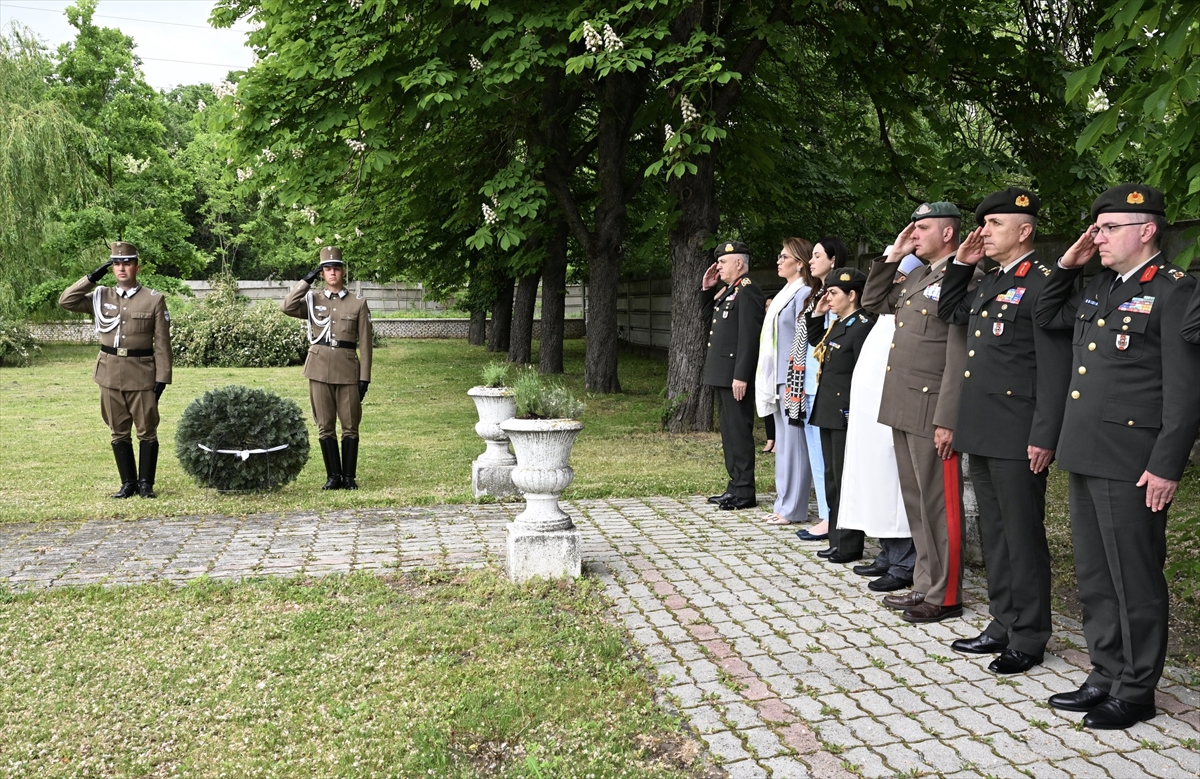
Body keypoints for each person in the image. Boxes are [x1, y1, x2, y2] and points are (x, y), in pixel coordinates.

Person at [1035, 184, 1200, 729]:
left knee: (1134, 575)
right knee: (1095, 573)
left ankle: (1137, 688)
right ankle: (1105, 671)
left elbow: (1186, 390)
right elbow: (1043, 315)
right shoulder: (1100, 286)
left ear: (1147, 230)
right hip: (1085, 451)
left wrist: (1166, 464)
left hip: (1133, 459)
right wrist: (1066, 263)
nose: (1097, 238)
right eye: (1096, 229)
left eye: (1107, 229)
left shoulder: (1177, 291)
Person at [936, 188, 1072, 674]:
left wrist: (1045, 433)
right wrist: (959, 262)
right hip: (983, 426)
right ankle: (1002, 620)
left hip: (1020, 431)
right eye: (983, 224)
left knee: (1022, 533)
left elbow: (1055, 369)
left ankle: (1031, 634)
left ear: (1025, 229)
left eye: (993, 224)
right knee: (994, 533)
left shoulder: (1044, 282)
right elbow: (949, 312)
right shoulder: (991, 279)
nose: (984, 232)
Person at [863, 202, 979, 623]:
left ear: (948, 233)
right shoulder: (918, 274)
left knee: (939, 504)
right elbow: (875, 302)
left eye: (922, 228)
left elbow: (957, 354)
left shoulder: (964, 278)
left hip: (932, 407)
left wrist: (948, 416)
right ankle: (925, 583)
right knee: (917, 502)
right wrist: (893, 255)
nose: (913, 234)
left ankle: (946, 595)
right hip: (904, 402)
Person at [58, 242, 171, 499]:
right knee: (118, 429)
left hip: (141, 373)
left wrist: (162, 378)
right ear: (112, 269)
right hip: (109, 373)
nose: (122, 268)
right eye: (117, 264)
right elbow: (67, 301)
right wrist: (90, 278)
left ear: (137, 267)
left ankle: (145, 484)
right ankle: (128, 483)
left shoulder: (153, 299)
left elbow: (162, 343)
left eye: (127, 263)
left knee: (146, 429)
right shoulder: (100, 296)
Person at [841, 254, 923, 591]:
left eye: (899, 277)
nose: (893, 283)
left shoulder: (909, 313)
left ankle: (905, 561)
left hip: (892, 410)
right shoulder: (887, 311)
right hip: (869, 413)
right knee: (875, 481)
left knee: (892, 484)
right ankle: (889, 552)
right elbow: (873, 296)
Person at [282, 246, 373, 490]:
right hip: (319, 369)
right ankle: (333, 477)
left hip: (347, 371)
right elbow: (287, 307)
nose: (332, 273)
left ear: (343, 271)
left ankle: (349, 477)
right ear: (321, 274)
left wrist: (365, 377)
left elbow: (365, 344)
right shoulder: (313, 301)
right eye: (327, 269)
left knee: (350, 424)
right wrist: (305, 282)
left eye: (336, 268)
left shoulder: (358, 303)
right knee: (325, 424)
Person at [809, 268, 875, 563]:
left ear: (852, 295)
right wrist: (817, 312)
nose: (828, 297)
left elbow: (864, 374)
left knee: (845, 477)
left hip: (846, 411)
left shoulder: (861, 325)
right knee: (832, 477)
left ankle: (849, 544)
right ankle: (837, 540)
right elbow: (816, 343)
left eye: (833, 293)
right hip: (828, 411)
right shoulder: (839, 323)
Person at [702, 240, 766, 510]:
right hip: (723, 374)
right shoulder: (729, 291)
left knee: (739, 432)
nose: (718, 266)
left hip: (735, 376)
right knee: (729, 434)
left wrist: (741, 375)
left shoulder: (748, 291)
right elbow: (708, 320)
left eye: (723, 262)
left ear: (739, 263)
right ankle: (735, 485)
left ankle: (744, 491)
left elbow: (749, 338)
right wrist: (707, 289)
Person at [755, 238, 813, 525]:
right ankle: (783, 504)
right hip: (777, 376)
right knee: (782, 443)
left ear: (799, 263)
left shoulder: (803, 293)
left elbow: (803, 340)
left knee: (794, 445)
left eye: (784, 256)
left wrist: (797, 380)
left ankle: (793, 508)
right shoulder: (784, 293)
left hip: (793, 376)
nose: (778, 260)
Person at [795, 237, 844, 542]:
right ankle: (827, 513)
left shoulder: (840, 296)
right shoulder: (815, 295)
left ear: (834, 260)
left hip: (827, 386)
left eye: (817, 256)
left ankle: (831, 517)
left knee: (828, 458)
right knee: (816, 454)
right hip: (809, 383)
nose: (811, 262)